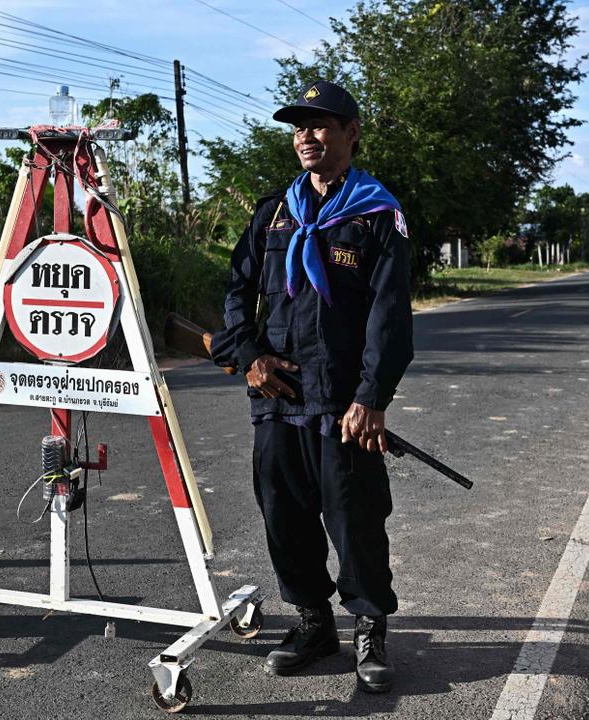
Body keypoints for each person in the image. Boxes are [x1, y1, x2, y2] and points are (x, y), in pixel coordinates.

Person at [209, 80, 414, 694]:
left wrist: (372, 398)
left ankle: (370, 626)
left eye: (321, 124)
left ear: (351, 133)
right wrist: (249, 357)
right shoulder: (275, 211)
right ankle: (313, 620)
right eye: (299, 126)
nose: (306, 135)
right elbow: (237, 292)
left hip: (343, 400)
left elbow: (390, 315)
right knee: (284, 514)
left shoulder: (378, 214)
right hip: (276, 397)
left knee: (354, 517)